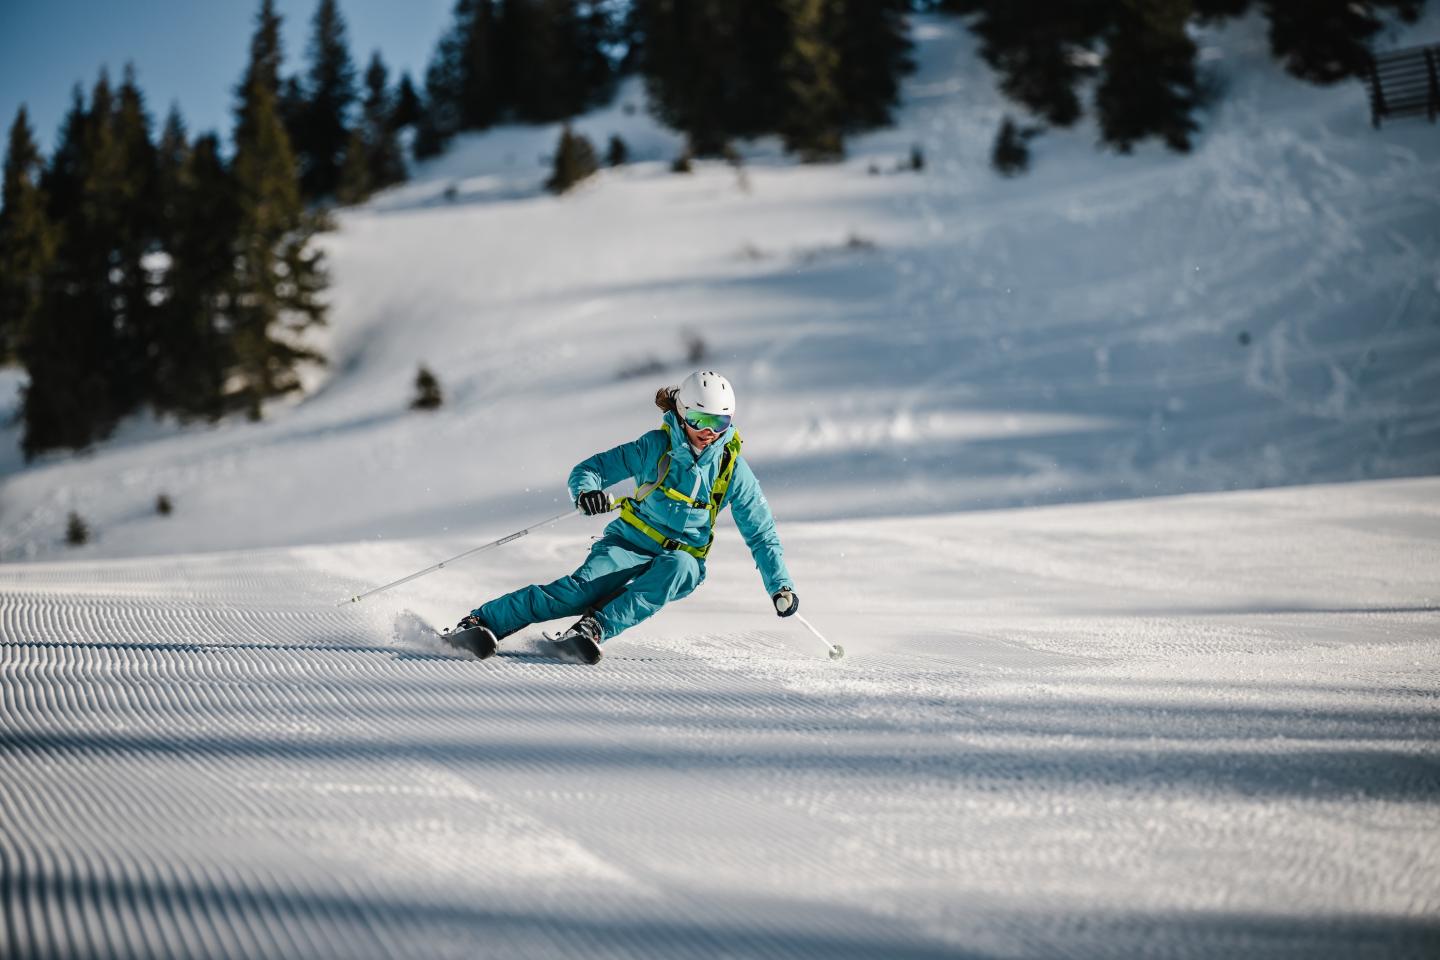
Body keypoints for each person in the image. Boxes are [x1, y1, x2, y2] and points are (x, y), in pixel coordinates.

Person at [454, 370, 798, 664]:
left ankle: (594, 628)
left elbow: (761, 533)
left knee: (678, 567)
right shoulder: (655, 447)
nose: (709, 432)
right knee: (575, 595)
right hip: (629, 542)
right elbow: (591, 470)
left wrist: (780, 586)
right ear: (683, 413)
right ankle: (481, 622)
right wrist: (587, 493)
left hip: (683, 557)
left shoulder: (732, 469)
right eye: (700, 420)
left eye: (719, 422)